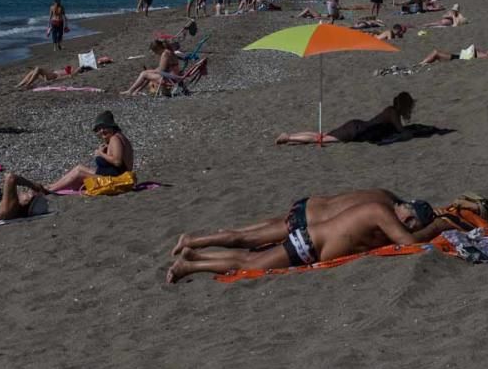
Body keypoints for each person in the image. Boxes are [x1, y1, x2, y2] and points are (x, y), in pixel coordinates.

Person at [166, 198, 436, 282]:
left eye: (413, 224)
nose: (407, 224)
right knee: (249, 262)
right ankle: (190, 265)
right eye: (409, 218)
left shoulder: (382, 210)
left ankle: (195, 256)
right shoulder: (382, 211)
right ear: (403, 206)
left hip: (311, 239)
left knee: (248, 253)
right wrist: (438, 228)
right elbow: (410, 245)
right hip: (309, 242)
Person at [171, 188, 416, 254]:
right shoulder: (383, 213)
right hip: (305, 223)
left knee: (248, 231)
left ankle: (218, 233)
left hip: (308, 204)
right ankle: (193, 240)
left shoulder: (385, 195)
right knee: (244, 240)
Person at [275, 92, 415, 145]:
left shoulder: (391, 110)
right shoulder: (393, 113)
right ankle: (288, 137)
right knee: (321, 139)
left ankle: (292, 136)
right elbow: (401, 131)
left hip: (356, 126)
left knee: (322, 136)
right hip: (356, 131)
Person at [45, 111, 134, 192]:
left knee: (78, 173)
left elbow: (117, 162)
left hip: (116, 180)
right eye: (99, 129)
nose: (101, 131)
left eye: (104, 127)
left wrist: (101, 154)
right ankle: (51, 186)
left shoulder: (115, 139)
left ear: (112, 126)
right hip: (111, 176)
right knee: (79, 168)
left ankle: (50, 190)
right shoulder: (116, 137)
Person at [419, 45, 488, 64]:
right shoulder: (485, 55)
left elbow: (472, 55)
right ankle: (423, 64)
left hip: (457, 57)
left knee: (436, 52)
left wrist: (474, 50)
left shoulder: (487, 57)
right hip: (457, 56)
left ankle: (420, 64)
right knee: (436, 56)